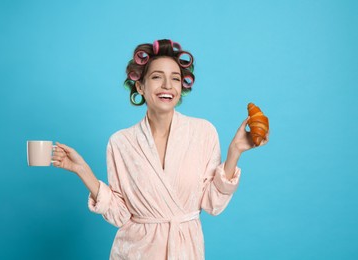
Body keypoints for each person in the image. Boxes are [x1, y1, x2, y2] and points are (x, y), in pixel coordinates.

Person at [52, 39, 269, 259]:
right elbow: (119, 215)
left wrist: (234, 152)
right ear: (140, 86)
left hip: (185, 250)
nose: (167, 85)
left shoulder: (203, 132)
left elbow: (213, 204)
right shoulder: (121, 142)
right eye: (157, 77)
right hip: (136, 251)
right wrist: (83, 171)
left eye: (175, 78)